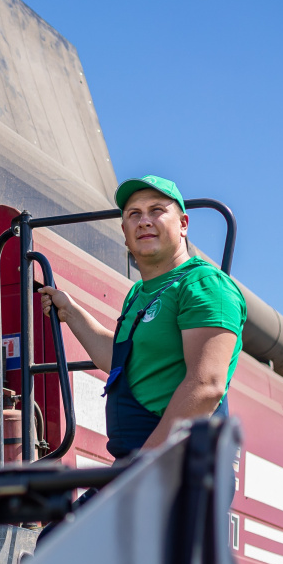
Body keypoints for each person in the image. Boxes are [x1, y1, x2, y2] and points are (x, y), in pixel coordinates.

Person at [39, 176, 246, 460]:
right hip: (140, 463)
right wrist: (70, 312)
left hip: (181, 466)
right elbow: (122, 362)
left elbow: (206, 385)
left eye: (157, 210)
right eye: (134, 214)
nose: (144, 221)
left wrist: (141, 465)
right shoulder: (138, 293)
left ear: (183, 224)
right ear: (125, 232)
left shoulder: (204, 284)